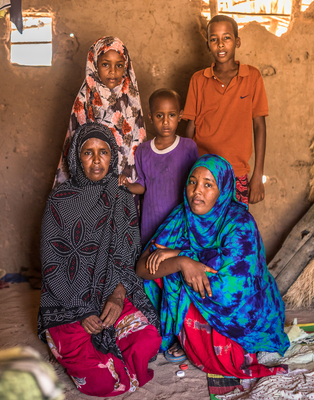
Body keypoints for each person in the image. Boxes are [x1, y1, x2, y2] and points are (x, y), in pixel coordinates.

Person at [136, 154, 289, 378]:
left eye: (208, 184)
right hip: (199, 298)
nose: (197, 190)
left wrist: (181, 254)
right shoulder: (181, 216)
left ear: (224, 190)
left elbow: (232, 290)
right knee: (170, 270)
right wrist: (181, 262)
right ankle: (185, 337)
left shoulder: (240, 222)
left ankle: (198, 339)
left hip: (246, 309)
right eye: (192, 181)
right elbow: (142, 268)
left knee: (230, 356)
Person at [38, 122, 161, 397]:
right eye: (88, 152)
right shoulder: (60, 200)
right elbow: (52, 265)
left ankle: (113, 345)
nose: (96, 160)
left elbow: (128, 254)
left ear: (112, 157)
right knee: (101, 381)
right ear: (76, 158)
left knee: (147, 339)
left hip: (110, 290)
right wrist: (81, 311)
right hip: (67, 302)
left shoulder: (121, 195)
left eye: (103, 152)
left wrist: (118, 295)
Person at [183, 15, 268, 205]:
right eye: (214, 39)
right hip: (202, 172)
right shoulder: (198, 79)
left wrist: (258, 175)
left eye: (226, 38)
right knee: (203, 231)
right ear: (208, 45)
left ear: (237, 42)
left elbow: (259, 126)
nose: (220, 44)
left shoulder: (252, 77)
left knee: (235, 231)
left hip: (236, 173)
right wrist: (187, 169)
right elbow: (190, 128)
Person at [53, 36, 146, 188]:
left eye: (119, 65)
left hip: (125, 180)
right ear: (94, 64)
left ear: (126, 66)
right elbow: (75, 144)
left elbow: (138, 139)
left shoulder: (131, 97)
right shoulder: (85, 98)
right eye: (105, 64)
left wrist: (128, 179)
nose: (113, 71)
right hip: (91, 178)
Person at [119, 88, 199, 247]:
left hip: (179, 221)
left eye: (172, 115)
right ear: (150, 117)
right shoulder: (143, 151)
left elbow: (195, 184)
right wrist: (126, 185)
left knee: (175, 263)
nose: (166, 121)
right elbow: (143, 186)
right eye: (159, 115)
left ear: (180, 116)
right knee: (151, 264)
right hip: (151, 222)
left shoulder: (188, 147)